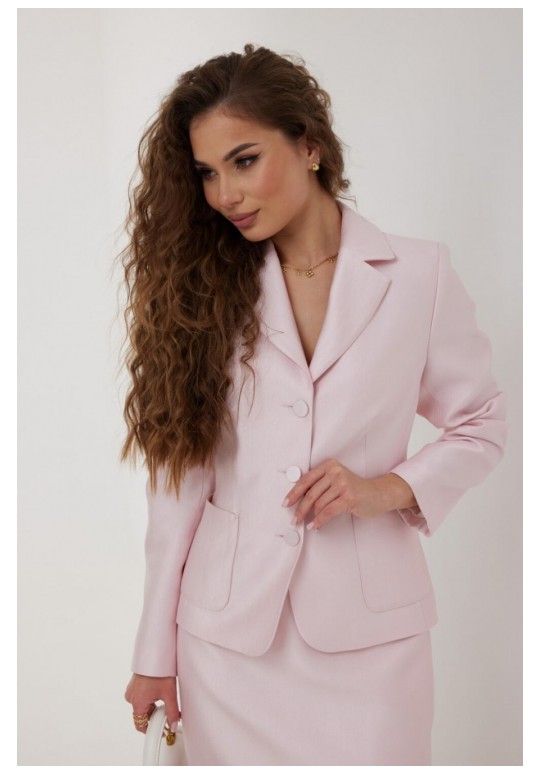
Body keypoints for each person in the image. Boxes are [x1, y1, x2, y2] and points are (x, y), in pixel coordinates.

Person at [120, 44, 506, 765]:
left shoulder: (419, 274)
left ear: (310, 145)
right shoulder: (202, 289)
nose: (225, 194)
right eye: (207, 173)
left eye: (243, 160)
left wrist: (385, 488)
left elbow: (482, 422)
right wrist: (154, 653)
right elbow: (178, 485)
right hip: (228, 644)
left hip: (373, 644)